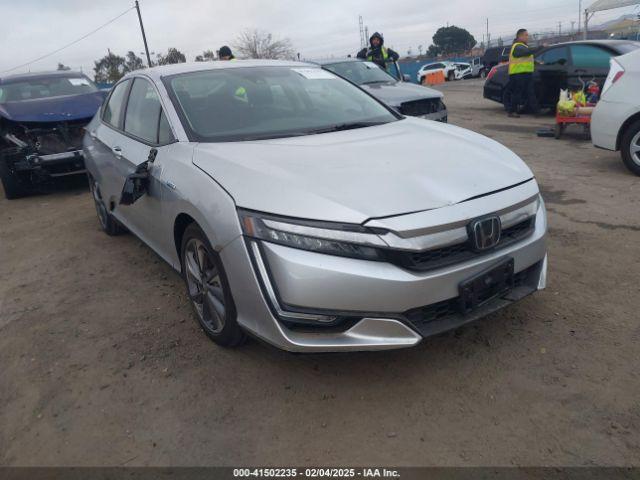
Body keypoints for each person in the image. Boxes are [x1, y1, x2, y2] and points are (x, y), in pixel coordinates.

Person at [506, 29, 544, 117]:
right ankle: (512, 111)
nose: (528, 37)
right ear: (520, 36)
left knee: (530, 92)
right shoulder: (517, 46)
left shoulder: (524, 46)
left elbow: (527, 57)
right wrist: (540, 47)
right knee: (517, 93)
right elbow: (527, 52)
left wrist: (537, 62)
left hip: (526, 73)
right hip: (517, 74)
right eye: (526, 35)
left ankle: (536, 111)